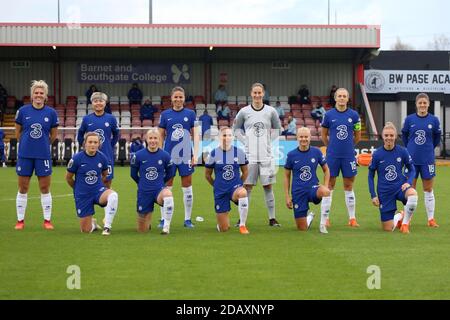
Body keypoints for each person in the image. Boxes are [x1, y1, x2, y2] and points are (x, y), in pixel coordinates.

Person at [233, 82, 282, 227]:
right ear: (251, 94)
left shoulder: (271, 111)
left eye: (259, 93)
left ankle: (272, 219)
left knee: (268, 187)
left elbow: (278, 129)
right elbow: (235, 129)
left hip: (266, 156)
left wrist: (268, 141)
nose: (257, 95)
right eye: (255, 93)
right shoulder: (244, 111)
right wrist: (245, 140)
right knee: (247, 187)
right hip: (249, 156)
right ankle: (242, 220)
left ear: (263, 94)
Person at [14, 80, 59, 230]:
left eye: (41, 93)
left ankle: (47, 220)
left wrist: (41, 145)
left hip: (43, 155)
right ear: (32, 95)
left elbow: (53, 135)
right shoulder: (23, 111)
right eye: (36, 92)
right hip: (25, 155)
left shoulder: (51, 113)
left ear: (45, 96)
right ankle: (20, 221)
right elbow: (18, 132)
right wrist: (28, 144)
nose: (38, 95)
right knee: (23, 187)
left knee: (45, 188)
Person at [158, 86, 199, 228]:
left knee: (187, 186)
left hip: (186, 154)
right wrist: (158, 154)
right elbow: (161, 135)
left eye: (180, 97)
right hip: (169, 155)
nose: (178, 99)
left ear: (184, 98)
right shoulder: (165, 114)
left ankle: (187, 219)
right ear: (171, 98)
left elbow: (196, 135)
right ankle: (163, 218)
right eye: (176, 97)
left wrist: (196, 154)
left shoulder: (191, 113)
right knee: (166, 186)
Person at [320, 87, 361, 227]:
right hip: (332, 156)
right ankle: (325, 218)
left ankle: (352, 218)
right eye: (340, 96)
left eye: (344, 96)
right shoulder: (329, 115)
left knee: (349, 185)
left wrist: (349, 147)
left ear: (348, 99)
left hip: (348, 156)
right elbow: (323, 135)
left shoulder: (354, 115)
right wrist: (331, 147)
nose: (342, 98)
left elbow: (358, 136)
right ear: (336, 98)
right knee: (329, 185)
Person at [65, 132, 119, 235]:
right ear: (85, 143)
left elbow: (105, 175)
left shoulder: (102, 158)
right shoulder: (77, 158)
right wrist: (77, 189)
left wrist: (99, 186)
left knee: (113, 195)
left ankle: (107, 226)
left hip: (97, 192)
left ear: (99, 144)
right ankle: (93, 223)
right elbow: (68, 178)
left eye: (95, 142)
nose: (93, 144)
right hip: (83, 195)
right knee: (86, 231)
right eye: (90, 142)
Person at [369, 122, 418, 233]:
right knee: (388, 229)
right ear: (382, 136)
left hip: (400, 187)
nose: (389, 138)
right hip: (384, 191)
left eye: (391, 135)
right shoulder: (377, 154)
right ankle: (401, 215)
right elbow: (370, 176)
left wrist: (409, 182)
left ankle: (405, 225)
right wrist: (373, 195)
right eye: (386, 135)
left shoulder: (402, 151)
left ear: (395, 136)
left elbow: (412, 169)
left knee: (413, 194)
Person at [401, 93, 441, 227]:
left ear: (428, 104)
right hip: (411, 160)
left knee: (428, 189)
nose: (422, 105)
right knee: (410, 189)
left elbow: (436, 138)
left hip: (427, 160)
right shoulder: (409, 119)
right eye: (420, 103)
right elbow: (405, 137)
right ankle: (408, 218)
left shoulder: (434, 120)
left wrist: (428, 148)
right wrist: (411, 149)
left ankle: (431, 219)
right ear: (416, 104)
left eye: (425, 103)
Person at [284, 127, 331, 233]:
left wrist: (325, 185)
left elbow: (326, 170)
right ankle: (308, 218)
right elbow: (286, 176)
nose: (303, 139)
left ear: (310, 138)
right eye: (301, 137)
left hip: (313, 189)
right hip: (298, 192)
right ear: (297, 138)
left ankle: (323, 225)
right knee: (302, 228)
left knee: (326, 192)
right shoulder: (291, 155)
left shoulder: (316, 152)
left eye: (306, 137)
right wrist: (287, 196)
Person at [130, 128, 176, 235]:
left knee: (168, 195)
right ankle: (147, 220)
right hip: (144, 191)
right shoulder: (138, 155)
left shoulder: (165, 155)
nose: (153, 141)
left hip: (159, 190)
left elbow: (171, 173)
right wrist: (141, 183)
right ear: (146, 139)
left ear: (159, 139)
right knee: (142, 230)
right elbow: (133, 174)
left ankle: (166, 227)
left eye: (155, 138)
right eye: (150, 138)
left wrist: (161, 183)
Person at [205, 127, 250, 234]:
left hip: (234, 189)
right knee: (224, 229)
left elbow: (245, 172)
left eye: (229, 135)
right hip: (220, 191)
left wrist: (239, 184)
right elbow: (207, 175)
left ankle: (242, 225)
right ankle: (222, 221)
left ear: (233, 137)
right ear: (219, 137)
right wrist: (216, 185)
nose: (227, 138)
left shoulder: (239, 152)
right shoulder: (213, 154)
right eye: (224, 135)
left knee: (243, 192)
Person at [77, 92, 120, 189]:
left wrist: (110, 145)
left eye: (101, 101)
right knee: (89, 183)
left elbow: (116, 134)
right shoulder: (86, 119)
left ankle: (107, 203)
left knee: (107, 183)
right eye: (95, 101)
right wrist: (84, 146)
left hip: (107, 155)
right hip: (90, 156)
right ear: (92, 103)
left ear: (105, 103)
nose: (98, 103)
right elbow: (80, 134)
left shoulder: (111, 118)